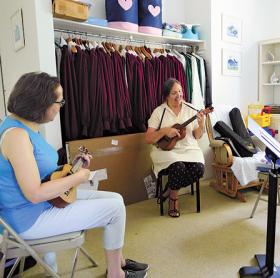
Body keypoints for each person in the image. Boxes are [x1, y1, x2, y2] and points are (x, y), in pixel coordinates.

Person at [0, 72, 149, 278]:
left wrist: (72, 167)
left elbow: (40, 172)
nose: (61, 106)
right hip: (28, 219)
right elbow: (34, 192)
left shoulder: (24, 127)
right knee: (114, 208)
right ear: (41, 103)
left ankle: (119, 262)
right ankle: (116, 274)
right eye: (60, 101)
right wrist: (79, 177)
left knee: (117, 199)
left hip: (42, 205)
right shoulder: (16, 136)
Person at [145, 78, 205, 218]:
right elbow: (148, 138)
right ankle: (174, 200)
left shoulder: (191, 109)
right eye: (174, 93)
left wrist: (201, 125)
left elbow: (196, 135)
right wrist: (165, 131)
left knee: (199, 169)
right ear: (166, 95)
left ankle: (168, 191)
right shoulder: (159, 112)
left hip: (189, 149)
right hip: (166, 151)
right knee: (178, 167)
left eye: (180, 92)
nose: (179, 96)